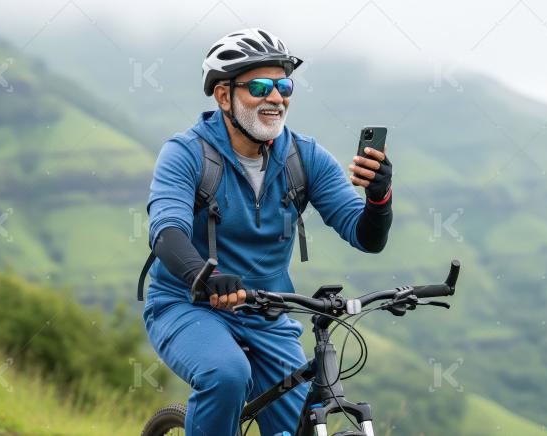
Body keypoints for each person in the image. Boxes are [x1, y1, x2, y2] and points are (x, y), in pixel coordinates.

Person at [143, 28, 393, 435]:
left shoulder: (305, 157)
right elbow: (166, 232)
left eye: (284, 86)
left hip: (267, 314)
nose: (276, 97)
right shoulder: (186, 153)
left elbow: (365, 236)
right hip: (188, 304)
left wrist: (379, 197)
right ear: (224, 96)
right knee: (226, 375)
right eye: (260, 87)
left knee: (303, 422)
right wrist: (205, 276)